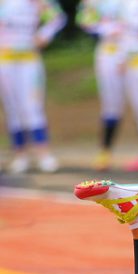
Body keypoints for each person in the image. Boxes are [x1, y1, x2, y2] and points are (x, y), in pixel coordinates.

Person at [76, 0, 138, 172]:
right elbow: (85, 20)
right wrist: (104, 28)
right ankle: (105, 153)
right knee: (111, 105)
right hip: (110, 54)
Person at [0, 0, 66, 174]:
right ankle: (20, 155)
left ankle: (43, 154)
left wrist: (45, 34)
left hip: (29, 60)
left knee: (33, 106)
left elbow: (57, 17)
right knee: (13, 109)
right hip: (5, 61)